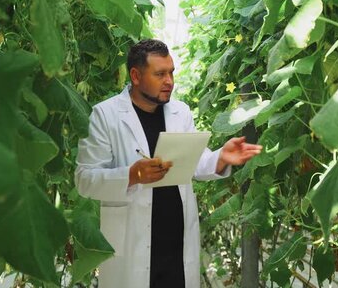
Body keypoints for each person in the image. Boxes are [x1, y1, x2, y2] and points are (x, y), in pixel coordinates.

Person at [75, 39, 262, 288]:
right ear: (136, 75)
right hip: (133, 245)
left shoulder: (180, 112)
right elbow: (84, 180)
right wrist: (131, 175)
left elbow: (194, 162)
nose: (169, 81)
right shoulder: (105, 115)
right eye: (160, 74)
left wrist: (220, 158)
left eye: (171, 72)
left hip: (176, 245)